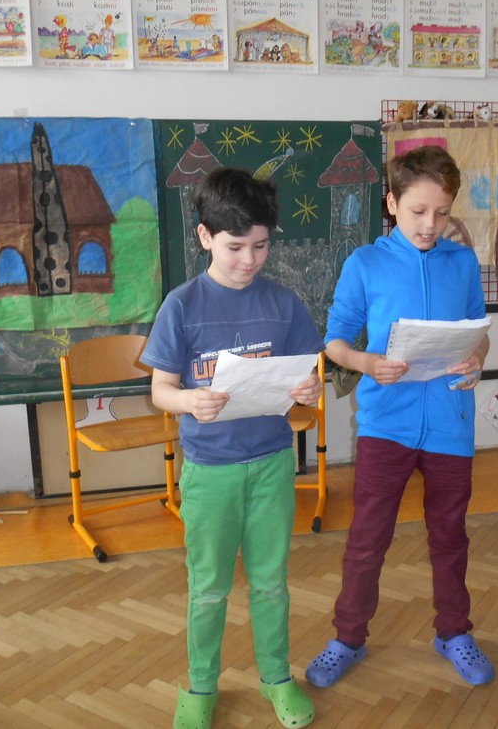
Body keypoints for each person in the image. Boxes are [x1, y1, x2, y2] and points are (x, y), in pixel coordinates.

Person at [305, 145, 494, 689]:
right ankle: (348, 638)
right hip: (386, 424)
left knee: (450, 537)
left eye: (442, 212)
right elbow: (336, 342)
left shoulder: (462, 263)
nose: (430, 224)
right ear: (391, 203)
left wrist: (478, 358)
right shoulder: (365, 263)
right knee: (368, 540)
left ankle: (454, 632)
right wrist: (367, 363)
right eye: (417, 211)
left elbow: (478, 332)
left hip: (451, 423)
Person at [141, 167, 323, 729]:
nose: (249, 260)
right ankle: (200, 687)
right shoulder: (182, 305)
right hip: (210, 471)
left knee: (271, 582)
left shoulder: (284, 303)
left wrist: (309, 388)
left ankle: (276, 677)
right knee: (209, 587)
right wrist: (188, 401)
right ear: (204, 237)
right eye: (235, 247)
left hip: (271, 463)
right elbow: (159, 391)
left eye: (261, 246)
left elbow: (307, 376)